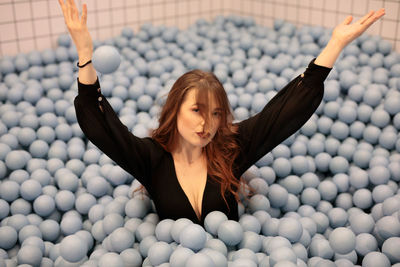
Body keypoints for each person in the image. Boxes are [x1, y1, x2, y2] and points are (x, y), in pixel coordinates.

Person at [58, 0, 385, 225]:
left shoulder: (231, 149)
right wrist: (85, 55)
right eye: (197, 110)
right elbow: (99, 124)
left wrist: (334, 46)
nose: (207, 123)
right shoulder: (151, 158)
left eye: (216, 114)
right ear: (175, 111)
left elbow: (284, 113)